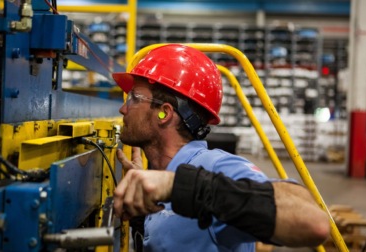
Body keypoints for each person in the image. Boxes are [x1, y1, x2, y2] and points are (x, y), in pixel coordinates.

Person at [111, 44, 330, 251]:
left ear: (164, 113)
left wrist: (179, 185)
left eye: (134, 98)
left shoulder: (214, 166)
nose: (123, 109)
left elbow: (314, 222)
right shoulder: (159, 176)